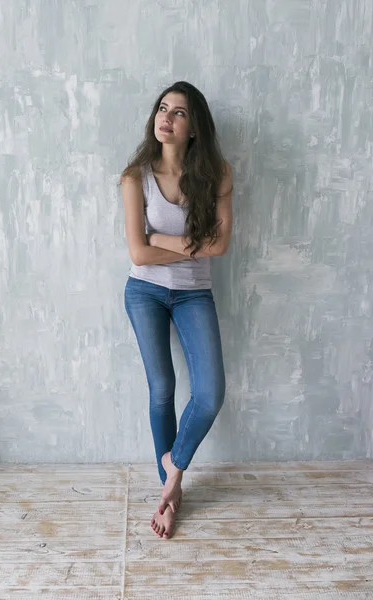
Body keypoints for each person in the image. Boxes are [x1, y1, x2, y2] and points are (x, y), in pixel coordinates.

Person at [120, 81, 233, 539]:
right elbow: (138, 254)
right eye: (162, 109)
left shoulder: (218, 174)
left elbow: (220, 245)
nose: (165, 117)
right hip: (144, 292)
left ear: (194, 127)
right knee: (162, 387)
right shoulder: (135, 177)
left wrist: (160, 239)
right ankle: (171, 489)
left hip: (193, 295)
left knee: (210, 393)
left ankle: (172, 472)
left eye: (179, 112)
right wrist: (188, 246)